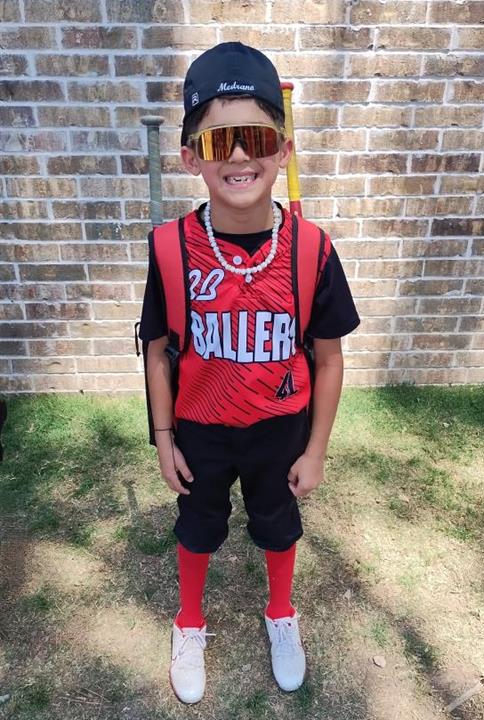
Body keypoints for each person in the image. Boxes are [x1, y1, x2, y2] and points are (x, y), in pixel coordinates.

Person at [138, 41, 360, 704]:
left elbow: (329, 357)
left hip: (279, 427)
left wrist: (316, 450)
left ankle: (281, 613)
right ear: (191, 158)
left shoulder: (312, 249)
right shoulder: (170, 248)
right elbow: (156, 349)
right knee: (198, 524)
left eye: (256, 138)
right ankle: (189, 621)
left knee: (278, 523)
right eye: (218, 141)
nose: (238, 156)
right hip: (201, 426)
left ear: (282, 151)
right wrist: (164, 438)